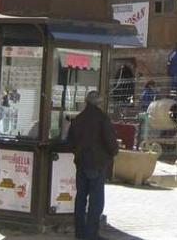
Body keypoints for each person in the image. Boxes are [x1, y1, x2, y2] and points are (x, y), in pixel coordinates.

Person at [67, 91, 119, 240]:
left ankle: (80, 233)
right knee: (96, 201)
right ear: (99, 103)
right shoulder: (102, 119)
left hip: (81, 163)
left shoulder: (78, 119)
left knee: (81, 198)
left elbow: (70, 142)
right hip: (97, 163)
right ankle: (91, 234)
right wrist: (112, 153)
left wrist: (78, 153)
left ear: (86, 102)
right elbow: (111, 143)